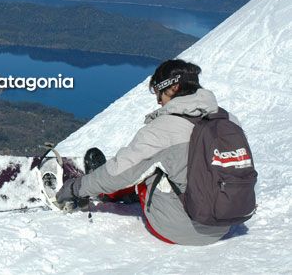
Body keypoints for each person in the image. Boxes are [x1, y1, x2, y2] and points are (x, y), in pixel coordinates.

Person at [56, 59, 239, 245]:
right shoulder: (228, 120)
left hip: (182, 229)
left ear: (174, 87)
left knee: (140, 167)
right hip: (224, 223)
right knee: (168, 162)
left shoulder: (165, 128)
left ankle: (108, 194)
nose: (159, 101)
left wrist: (75, 188)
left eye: (159, 93)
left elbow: (118, 174)